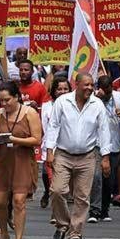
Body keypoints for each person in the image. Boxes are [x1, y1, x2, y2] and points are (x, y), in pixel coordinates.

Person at [46, 74, 111, 239]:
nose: (90, 88)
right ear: (77, 84)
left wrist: (105, 157)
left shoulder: (97, 104)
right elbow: (53, 126)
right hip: (63, 154)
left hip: (87, 156)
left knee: (82, 197)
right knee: (58, 191)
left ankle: (75, 233)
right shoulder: (63, 102)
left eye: (92, 85)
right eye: (86, 84)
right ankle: (62, 224)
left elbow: (104, 131)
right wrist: (49, 151)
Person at [0, 81, 42, 239]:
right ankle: (4, 233)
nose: (4, 104)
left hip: (23, 160)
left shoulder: (30, 113)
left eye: (7, 100)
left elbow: (36, 139)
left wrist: (15, 139)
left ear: (17, 97)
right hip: (3, 160)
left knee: (19, 201)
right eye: (1, 100)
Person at [92, 75, 120, 222]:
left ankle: (105, 210)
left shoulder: (119, 97)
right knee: (96, 178)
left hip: (113, 145)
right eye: (105, 91)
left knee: (109, 180)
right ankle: (94, 210)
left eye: (110, 91)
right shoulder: (93, 99)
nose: (108, 94)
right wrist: (99, 99)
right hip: (96, 145)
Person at [39, 77, 71, 209]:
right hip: (50, 147)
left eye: (65, 89)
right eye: (59, 89)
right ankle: (49, 194)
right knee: (49, 175)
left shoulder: (74, 106)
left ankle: (58, 201)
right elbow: (45, 128)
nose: (62, 92)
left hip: (67, 147)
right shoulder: (46, 107)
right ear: (54, 91)